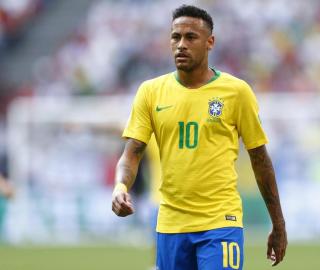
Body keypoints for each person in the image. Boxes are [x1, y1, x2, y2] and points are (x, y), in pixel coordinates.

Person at [112, 4, 287, 269]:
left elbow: (260, 159)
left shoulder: (236, 92)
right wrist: (120, 186)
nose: (181, 44)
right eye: (175, 37)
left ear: (209, 42)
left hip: (220, 222)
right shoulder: (150, 92)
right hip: (170, 223)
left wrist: (279, 224)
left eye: (191, 37)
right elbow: (131, 154)